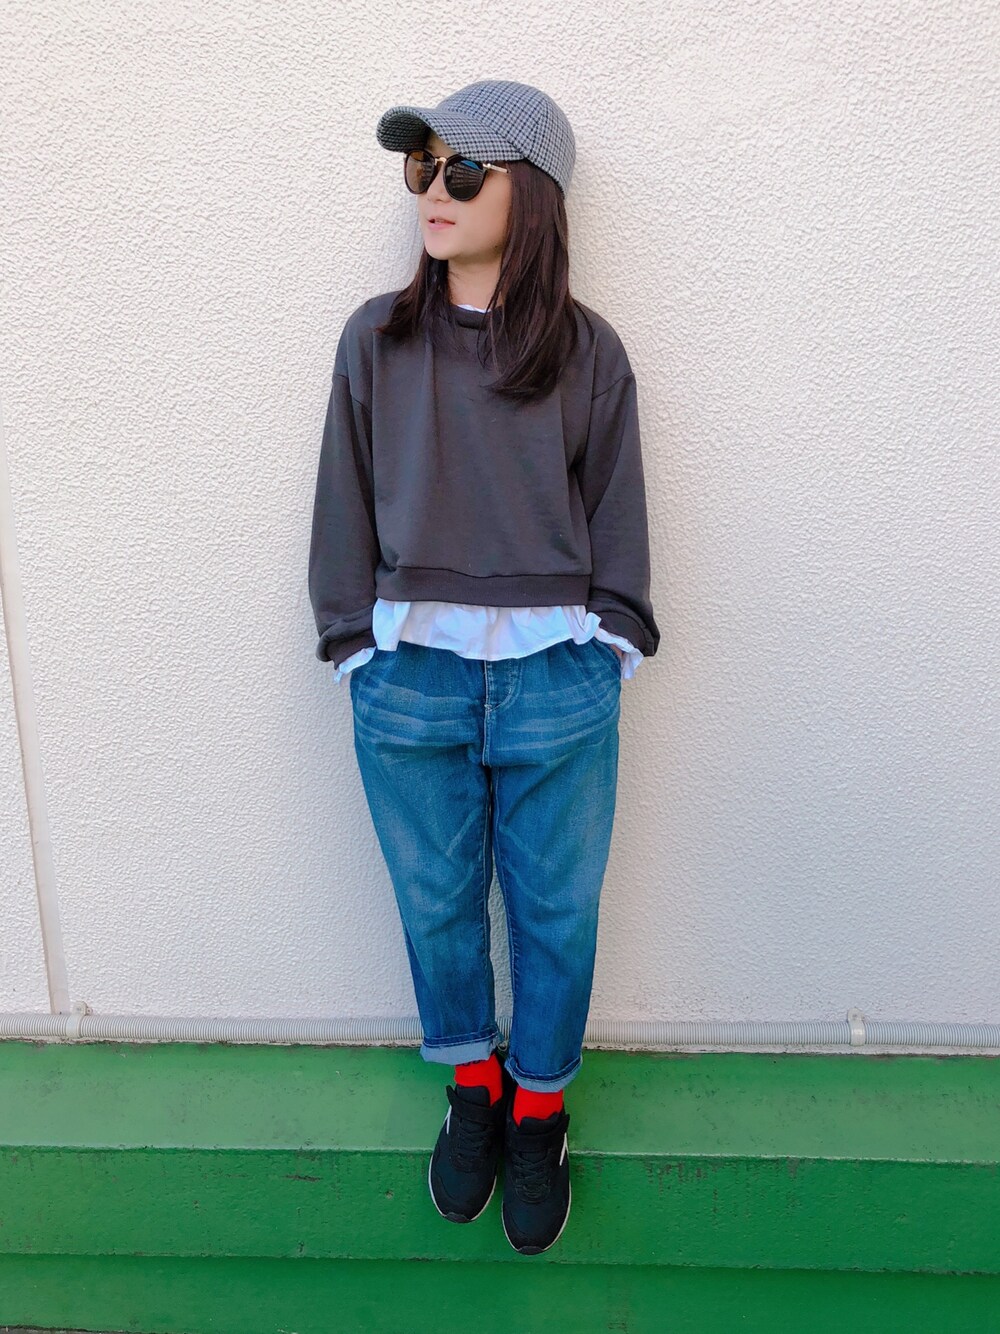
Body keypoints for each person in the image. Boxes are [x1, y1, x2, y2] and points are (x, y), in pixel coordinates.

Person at [308, 78, 659, 1256]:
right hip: (408, 675)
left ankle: (539, 1108)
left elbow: (617, 503)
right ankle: (474, 1087)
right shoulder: (377, 339)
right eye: (423, 168)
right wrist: (352, 641)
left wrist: (613, 637)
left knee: (557, 912)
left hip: (559, 673)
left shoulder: (587, 351)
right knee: (436, 905)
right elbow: (343, 496)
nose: (434, 190)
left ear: (533, 195)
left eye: (464, 169)